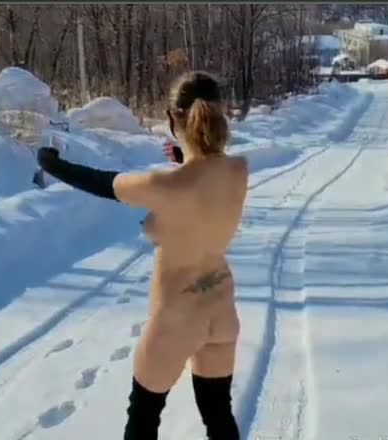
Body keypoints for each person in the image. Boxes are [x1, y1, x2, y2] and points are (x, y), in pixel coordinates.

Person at [36, 71, 248, 440]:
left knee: (143, 420)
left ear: (171, 118)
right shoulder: (238, 170)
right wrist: (185, 155)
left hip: (176, 321)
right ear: (219, 112)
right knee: (218, 416)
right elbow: (205, 178)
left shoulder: (164, 185)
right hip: (222, 309)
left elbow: (101, 182)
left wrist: (50, 162)